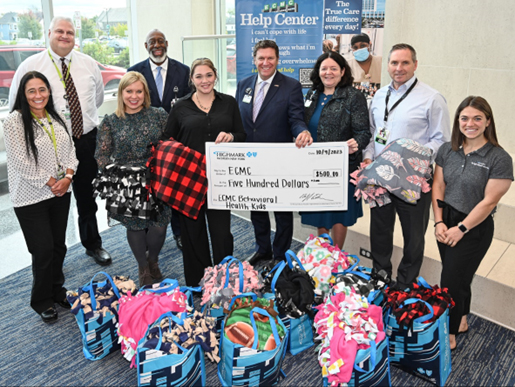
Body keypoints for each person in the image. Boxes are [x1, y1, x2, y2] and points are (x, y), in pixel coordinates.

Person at [8, 16, 112, 266]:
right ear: (49, 33)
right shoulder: (31, 66)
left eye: (70, 32)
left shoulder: (88, 64)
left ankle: (92, 244)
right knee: (54, 198)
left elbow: (96, 100)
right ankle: (54, 252)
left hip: (85, 139)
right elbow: (17, 104)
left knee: (87, 197)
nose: (65, 36)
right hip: (49, 144)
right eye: (59, 32)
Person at [363, 43, 451, 290]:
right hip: (379, 177)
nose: (398, 68)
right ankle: (380, 276)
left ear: (415, 64)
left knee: (413, 237)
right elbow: (373, 134)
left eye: (405, 63)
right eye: (394, 63)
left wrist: (412, 156)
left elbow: (442, 141)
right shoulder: (380, 96)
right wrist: (369, 157)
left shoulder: (432, 98)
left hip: (413, 179)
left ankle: (404, 284)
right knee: (379, 230)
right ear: (388, 65)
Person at [432, 96, 513, 350]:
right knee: (459, 276)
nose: (471, 123)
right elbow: (438, 185)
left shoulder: (499, 158)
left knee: (450, 280)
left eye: (478, 118)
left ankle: (450, 334)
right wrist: (438, 222)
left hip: (474, 227)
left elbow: (489, 202)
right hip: (446, 221)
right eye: (465, 118)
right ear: (458, 120)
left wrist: (462, 229)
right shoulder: (448, 149)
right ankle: (462, 319)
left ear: (488, 121)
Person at [162, 58, 246, 287]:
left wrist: (231, 137)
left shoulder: (228, 102)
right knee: (192, 234)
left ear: (216, 76)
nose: (204, 80)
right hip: (189, 181)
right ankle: (199, 283)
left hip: (221, 179)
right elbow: (166, 140)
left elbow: (241, 134)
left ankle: (224, 280)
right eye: (198, 76)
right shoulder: (180, 106)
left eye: (208, 75)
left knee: (222, 234)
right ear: (191, 80)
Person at [4, 71, 79, 323]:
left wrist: (67, 177)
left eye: (42, 89)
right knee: (43, 248)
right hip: (30, 196)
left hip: (60, 191)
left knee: (59, 245)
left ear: (49, 91)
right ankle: (41, 300)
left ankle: (57, 291)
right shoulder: (13, 121)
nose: (38, 95)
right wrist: (51, 182)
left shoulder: (56, 117)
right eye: (32, 91)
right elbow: (20, 162)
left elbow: (71, 151)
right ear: (23, 95)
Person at [235, 39, 312, 266]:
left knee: (281, 210)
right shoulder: (244, 84)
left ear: (278, 60)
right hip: (251, 157)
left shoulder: (291, 86)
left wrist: (303, 131)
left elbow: (296, 119)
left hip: (279, 158)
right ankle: (263, 249)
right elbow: (240, 120)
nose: (265, 62)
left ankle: (280, 254)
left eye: (270, 58)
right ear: (255, 60)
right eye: (261, 58)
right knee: (256, 206)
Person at [95, 72, 171, 287]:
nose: (134, 96)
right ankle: (143, 267)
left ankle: (153, 260)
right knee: (135, 226)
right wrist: (115, 177)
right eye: (129, 91)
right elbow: (101, 155)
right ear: (121, 93)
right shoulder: (110, 121)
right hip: (127, 184)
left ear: (145, 93)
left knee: (160, 226)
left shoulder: (158, 115)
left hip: (156, 179)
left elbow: (170, 145)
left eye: (139, 91)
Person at [128, 29, 190, 250]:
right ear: (146, 46)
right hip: (146, 144)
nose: (157, 45)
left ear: (167, 43)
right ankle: (146, 233)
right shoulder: (135, 72)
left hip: (176, 142)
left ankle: (180, 232)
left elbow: (189, 105)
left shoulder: (183, 72)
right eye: (152, 42)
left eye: (160, 41)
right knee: (149, 189)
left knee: (175, 188)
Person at [301, 52, 371, 249]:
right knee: (320, 210)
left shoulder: (353, 96)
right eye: (324, 68)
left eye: (333, 68)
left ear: (342, 71)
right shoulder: (312, 94)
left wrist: (355, 143)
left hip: (343, 167)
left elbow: (363, 132)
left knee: (339, 213)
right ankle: (323, 255)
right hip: (314, 165)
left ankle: (337, 256)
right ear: (318, 72)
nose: (328, 72)